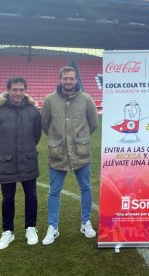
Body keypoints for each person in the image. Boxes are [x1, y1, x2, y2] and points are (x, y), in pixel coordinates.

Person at [41, 66, 98, 245]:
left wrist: (80, 139)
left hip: (81, 153)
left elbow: (93, 124)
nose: (68, 82)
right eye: (65, 78)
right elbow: (45, 125)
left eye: (71, 79)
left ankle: (85, 222)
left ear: (76, 80)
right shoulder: (49, 100)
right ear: (60, 79)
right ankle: (53, 227)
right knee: (54, 191)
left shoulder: (86, 99)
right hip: (58, 153)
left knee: (86, 187)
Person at [0, 77, 41, 249]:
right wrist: (2, 153)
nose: (18, 93)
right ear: (8, 90)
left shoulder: (32, 111)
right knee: (7, 198)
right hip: (6, 163)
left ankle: (30, 227)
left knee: (31, 196)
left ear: (25, 90)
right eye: (14, 89)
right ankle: (7, 231)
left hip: (28, 160)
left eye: (21, 89)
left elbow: (36, 135)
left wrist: (27, 150)